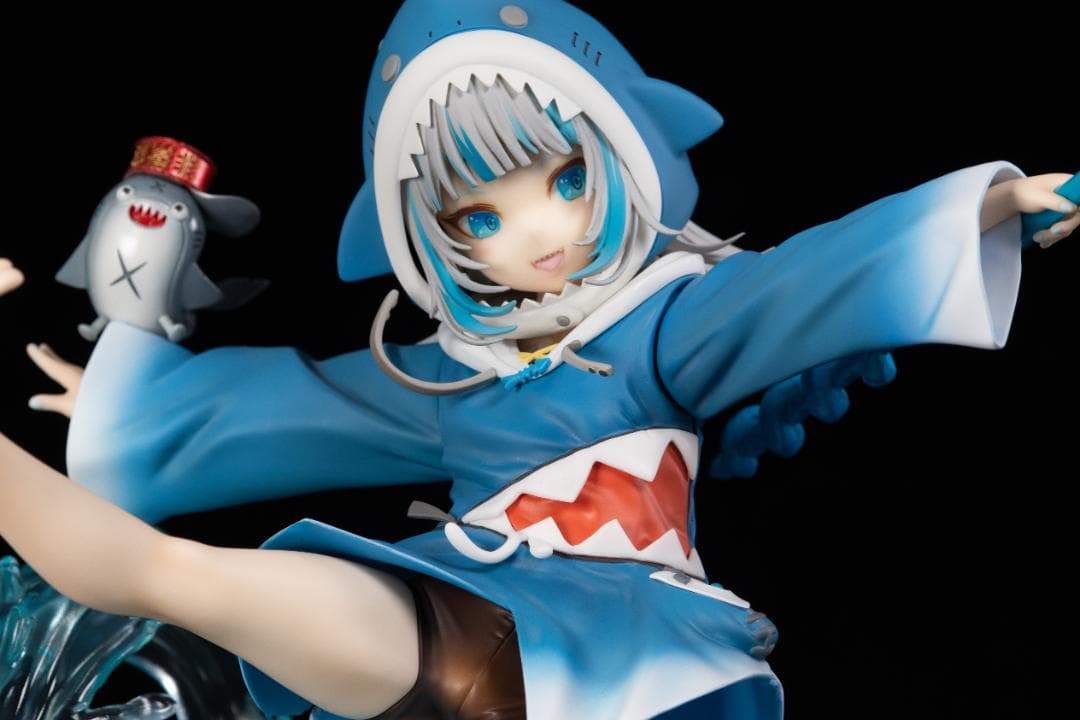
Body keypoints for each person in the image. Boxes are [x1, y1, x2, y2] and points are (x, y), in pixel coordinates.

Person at [1, 1, 1077, 718]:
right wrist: (131, 408)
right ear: (425, 241)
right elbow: (294, 406)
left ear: (623, 156)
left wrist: (981, 209)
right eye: (478, 218)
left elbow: (802, 281)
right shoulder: (446, 378)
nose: (537, 234)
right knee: (184, 579)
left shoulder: (660, 327)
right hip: (442, 621)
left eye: (566, 180)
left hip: (615, 639)